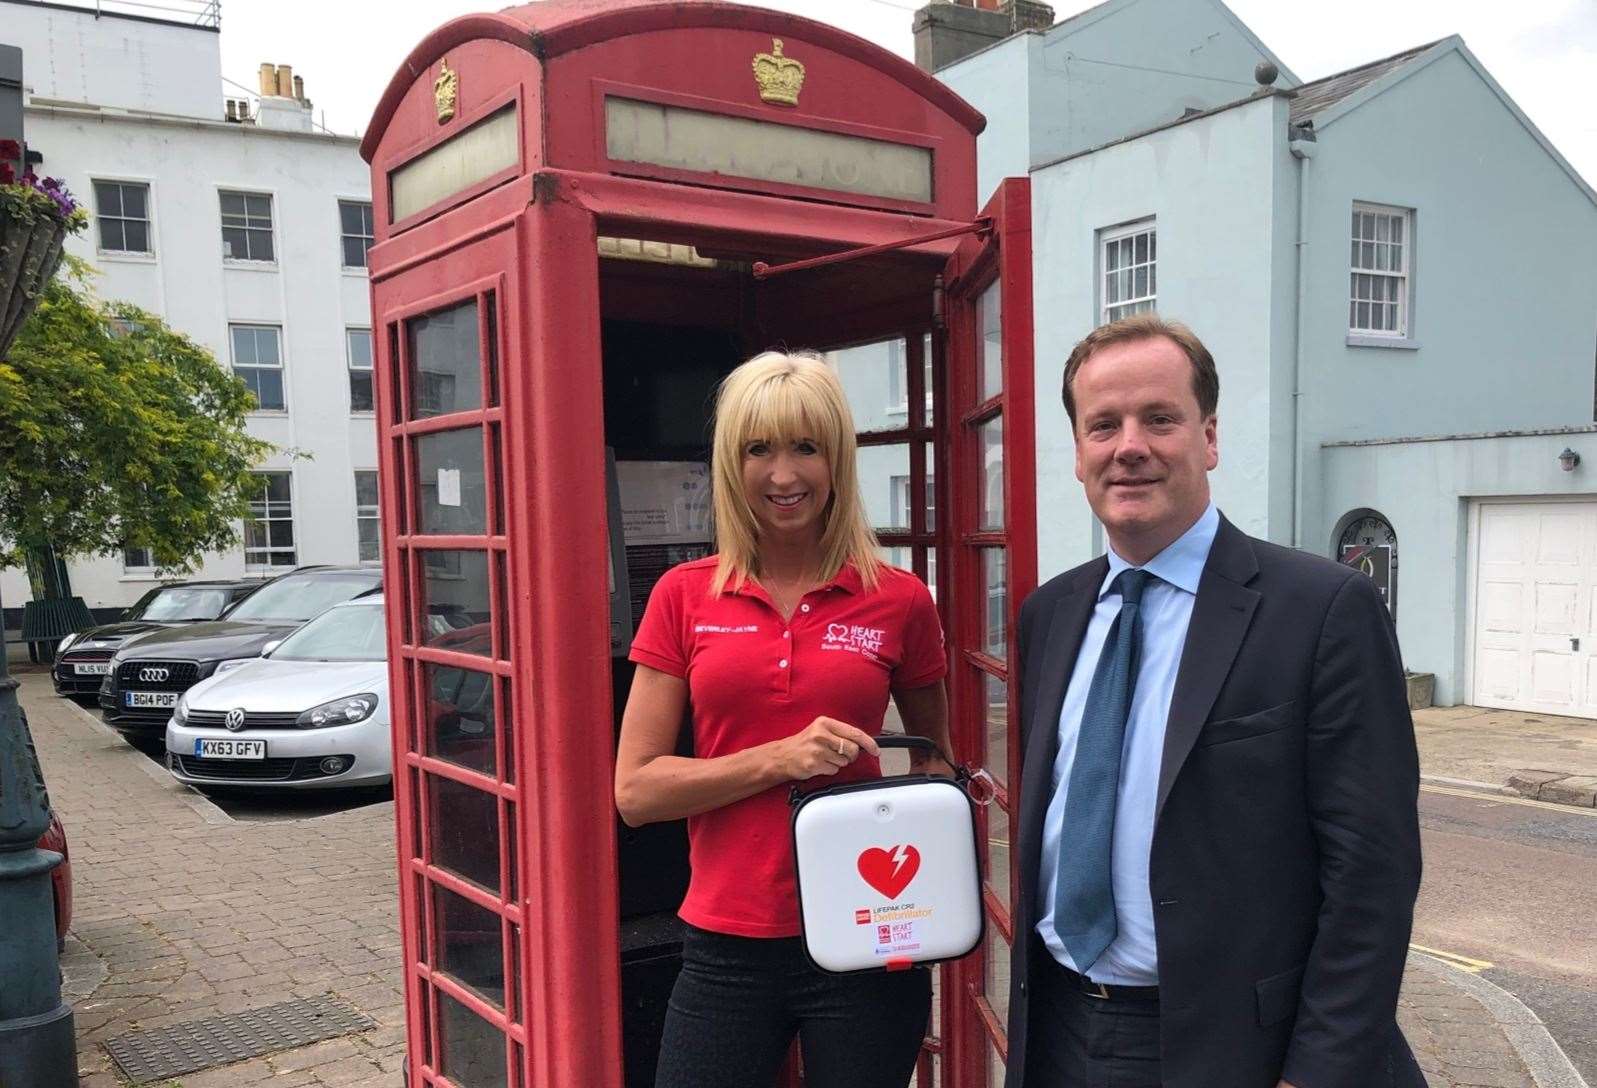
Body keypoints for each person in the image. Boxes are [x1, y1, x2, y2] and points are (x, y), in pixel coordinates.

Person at [1003, 314, 1423, 1088]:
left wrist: (1317, 1074)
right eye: (1102, 425)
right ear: (1077, 453)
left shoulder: (1322, 609)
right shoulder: (1049, 614)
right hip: (1057, 1030)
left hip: (1232, 1049)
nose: (1129, 445)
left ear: (1209, 438)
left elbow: (1372, 875)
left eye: (1159, 419)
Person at [615, 350, 953, 1088]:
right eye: (757, 449)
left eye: (806, 447)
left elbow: (937, 765)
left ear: (837, 459)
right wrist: (779, 758)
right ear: (730, 463)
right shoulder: (684, 595)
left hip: (866, 938)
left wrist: (927, 881)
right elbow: (636, 792)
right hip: (725, 944)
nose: (783, 475)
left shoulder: (899, 598)